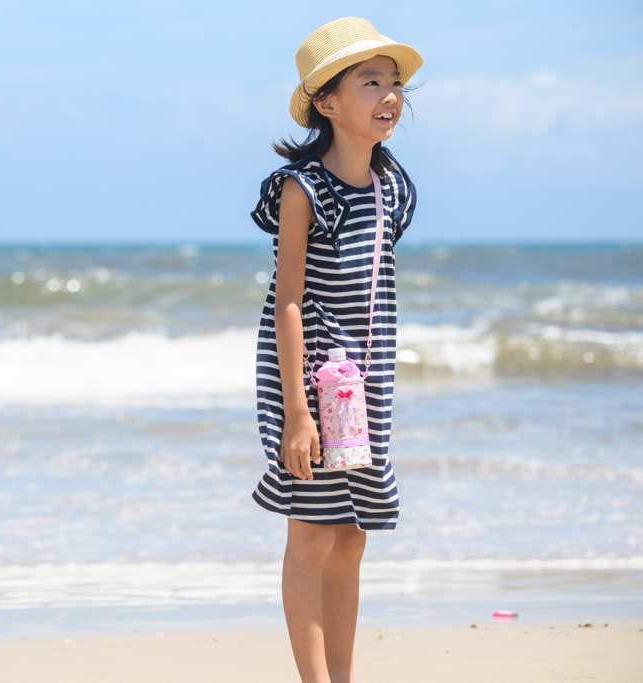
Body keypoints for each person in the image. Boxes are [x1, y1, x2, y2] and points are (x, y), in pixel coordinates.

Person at [248, 18, 422, 683]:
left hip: (366, 383)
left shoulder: (392, 189)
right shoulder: (303, 188)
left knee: (352, 535)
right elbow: (287, 299)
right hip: (307, 383)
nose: (389, 94)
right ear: (326, 102)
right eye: (369, 81)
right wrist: (296, 410)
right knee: (312, 533)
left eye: (395, 82)